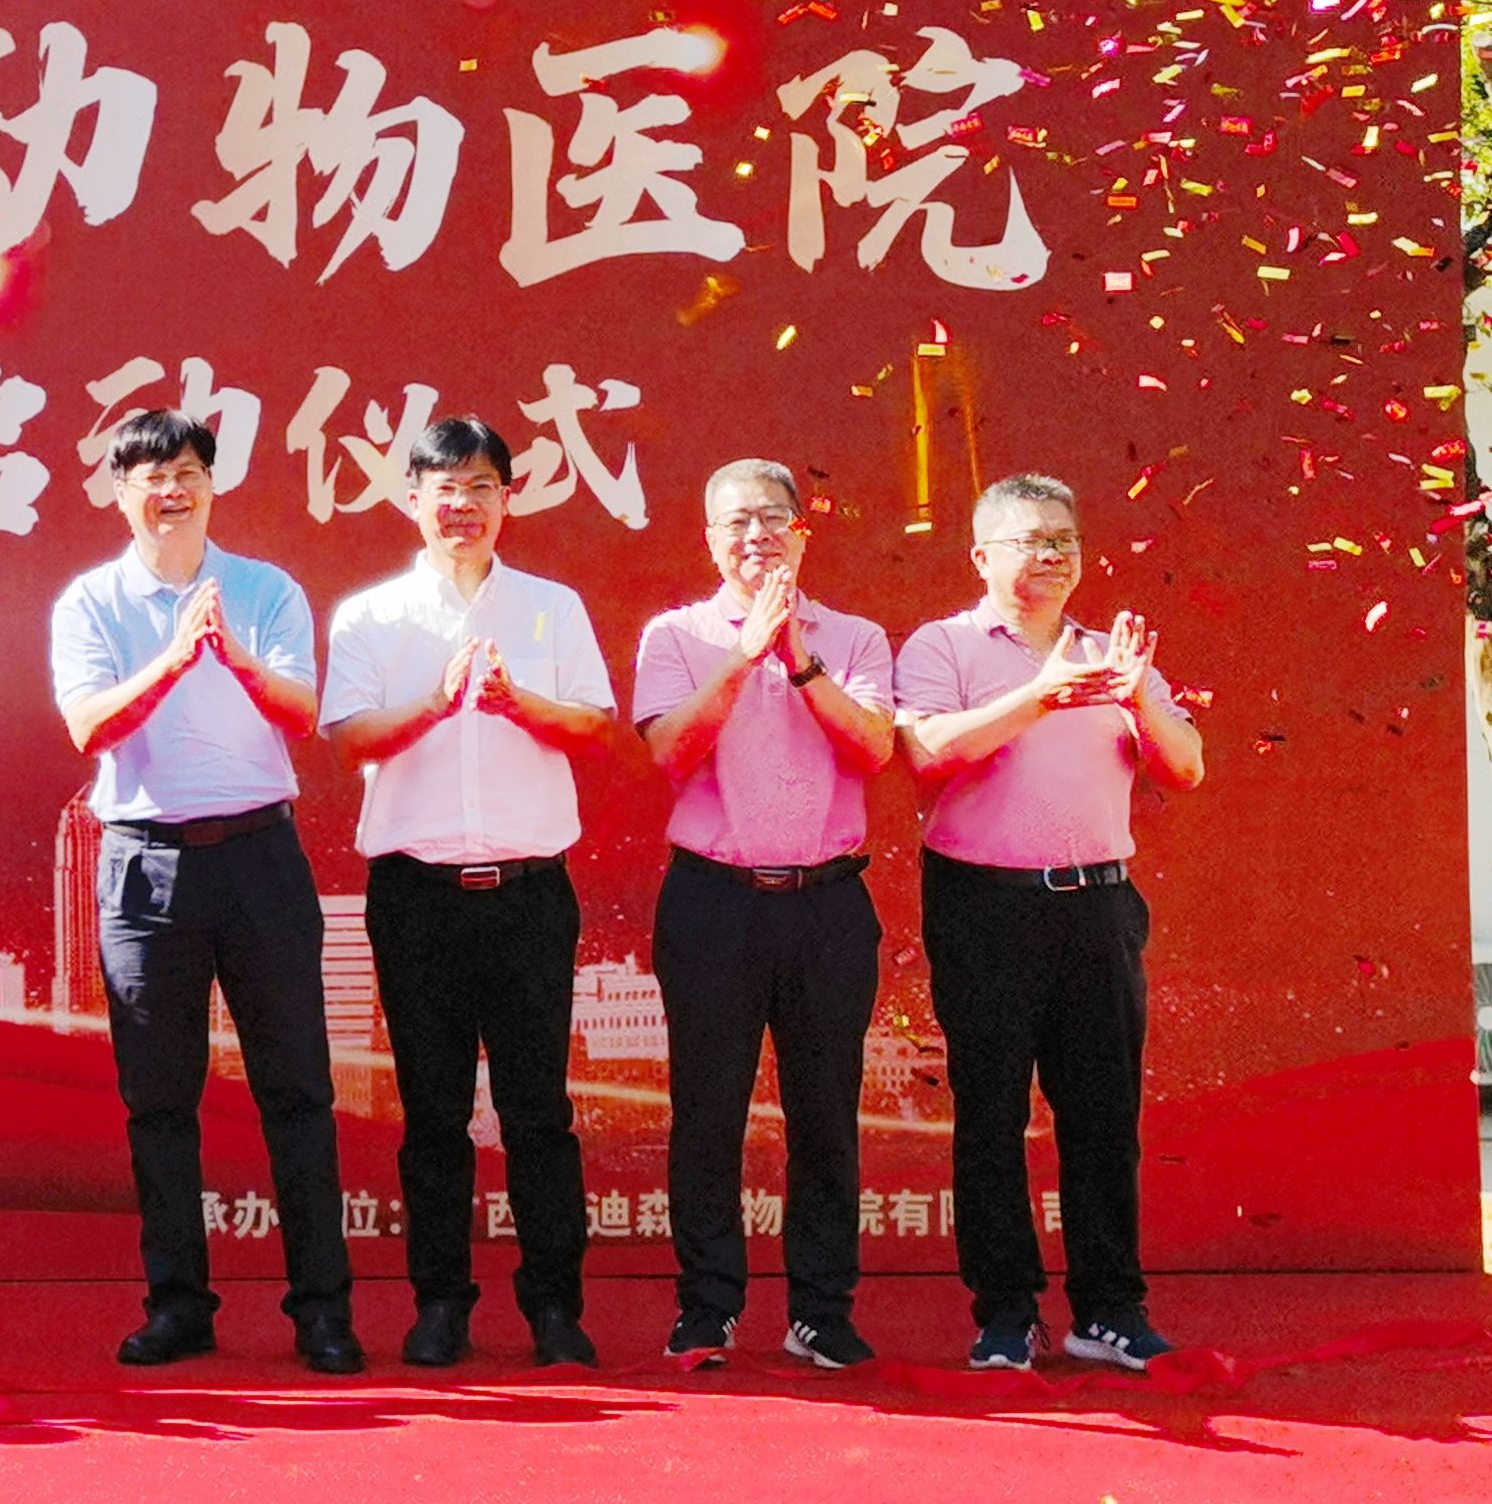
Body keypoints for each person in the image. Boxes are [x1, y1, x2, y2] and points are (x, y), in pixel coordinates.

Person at [50, 410, 361, 1373]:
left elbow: (302, 712)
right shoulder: (89, 601)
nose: (171, 491)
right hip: (146, 865)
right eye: (150, 476)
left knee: (297, 1090)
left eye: (187, 471)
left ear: (212, 485)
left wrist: (231, 654)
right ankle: (179, 1305)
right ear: (119, 492)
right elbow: (88, 727)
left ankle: (323, 1311)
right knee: (159, 1099)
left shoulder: (264, 590)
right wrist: (176, 658)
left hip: (260, 856)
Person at [321, 416, 618, 1370]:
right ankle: (441, 1304)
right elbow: (350, 739)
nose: (463, 505)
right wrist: (439, 705)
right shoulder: (370, 616)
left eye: (482, 486)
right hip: (417, 896)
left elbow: (595, 727)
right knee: (432, 1114)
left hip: (530, 895)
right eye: (445, 488)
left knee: (540, 1114)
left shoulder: (551, 608)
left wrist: (515, 703)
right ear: (413, 498)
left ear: (508, 499)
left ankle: (555, 1309)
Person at [895, 473, 1206, 1373]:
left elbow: (1186, 766)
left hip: (1099, 906)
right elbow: (927, 753)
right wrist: (1045, 692)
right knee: (990, 1115)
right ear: (981, 555)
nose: (1054, 554)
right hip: (985, 906)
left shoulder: (1112, 653)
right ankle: (1005, 1311)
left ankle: (1108, 1308)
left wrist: (1135, 694)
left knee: (1104, 1116)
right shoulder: (943, 646)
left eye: (1065, 539)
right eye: (1031, 539)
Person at [631, 460, 899, 1372]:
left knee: (825, 1114)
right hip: (714, 901)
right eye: (737, 522)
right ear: (710, 540)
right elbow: (670, 752)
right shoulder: (675, 636)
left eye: (774, 518)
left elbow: (873, 748)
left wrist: (799, 660)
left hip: (827, 902)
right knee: (708, 1111)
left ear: (802, 532)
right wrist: (745, 655)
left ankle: (821, 1310)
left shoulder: (854, 638)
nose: (757, 536)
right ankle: (706, 1308)